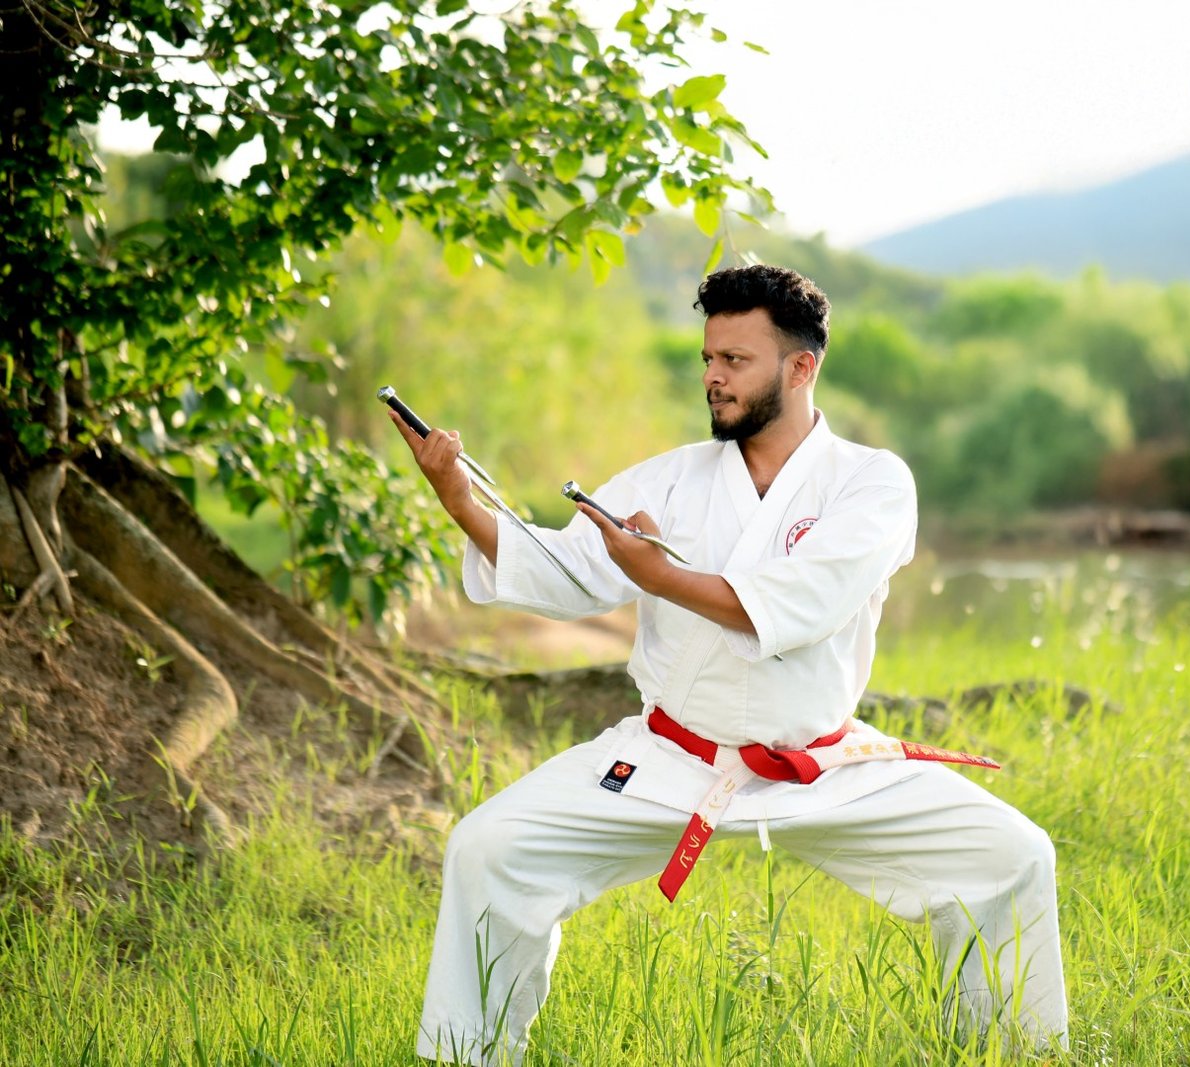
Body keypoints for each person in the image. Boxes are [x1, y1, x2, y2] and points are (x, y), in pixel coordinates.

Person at [392, 265, 1068, 1064]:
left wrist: (658, 576)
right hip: (669, 757)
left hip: (821, 765)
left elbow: (794, 604)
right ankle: (468, 1056)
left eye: (736, 361)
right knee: (486, 848)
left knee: (1015, 856)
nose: (713, 377)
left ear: (801, 367)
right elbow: (568, 571)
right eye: (709, 358)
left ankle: (1010, 1052)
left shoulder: (873, 483)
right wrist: (460, 500)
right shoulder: (670, 478)